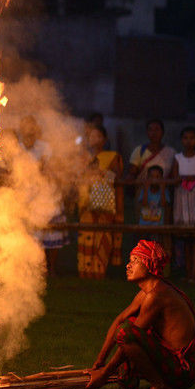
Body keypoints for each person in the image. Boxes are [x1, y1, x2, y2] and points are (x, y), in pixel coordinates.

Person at [86, 240, 195, 389]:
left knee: (125, 332)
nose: (128, 265)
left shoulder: (156, 295)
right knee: (125, 367)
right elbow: (119, 320)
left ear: (149, 264)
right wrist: (99, 363)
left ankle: (160, 387)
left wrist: (104, 374)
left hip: (182, 371)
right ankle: (141, 380)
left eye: (135, 261)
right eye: (130, 261)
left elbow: (128, 335)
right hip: (172, 363)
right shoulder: (147, 292)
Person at [18, 115, 68, 276]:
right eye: (26, 127)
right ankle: (31, 269)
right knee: (28, 234)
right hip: (24, 194)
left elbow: (50, 168)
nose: (29, 130)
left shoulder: (44, 147)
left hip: (45, 193)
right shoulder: (17, 148)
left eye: (32, 127)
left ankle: (51, 268)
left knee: (51, 231)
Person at [127, 119, 176, 267]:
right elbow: (132, 172)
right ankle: (141, 263)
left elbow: (174, 175)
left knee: (162, 232)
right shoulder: (139, 151)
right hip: (143, 196)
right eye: (151, 129)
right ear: (147, 132)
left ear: (162, 132)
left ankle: (159, 264)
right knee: (142, 230)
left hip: (162, 197)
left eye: (157, 129)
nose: (154, 133)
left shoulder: (170, 153)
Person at [78, 125, 124, 278]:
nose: (94, 139)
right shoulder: (83, 157)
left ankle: (99, 271)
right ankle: (85, 271)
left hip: (105, 204)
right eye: (91, 136)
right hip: (86, 203)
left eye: (98, 136)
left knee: (102, 236)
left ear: (104, 140)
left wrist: (101, 174)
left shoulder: (112, 156)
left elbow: (117, 179)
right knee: (87, 235)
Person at [170, 126, 195, 283]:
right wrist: (183, 179)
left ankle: (194, 273)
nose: (188, 141)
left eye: (192, 138)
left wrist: (193, 179)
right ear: (181, 140)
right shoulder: (177, 158)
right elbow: (174, 177)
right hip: (182, 196)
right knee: (186, 237)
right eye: (185, 138)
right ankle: (187, 273)